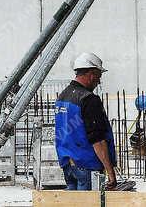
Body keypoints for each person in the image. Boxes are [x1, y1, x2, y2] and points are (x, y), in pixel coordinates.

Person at [54, 51, 118, 192]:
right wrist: (111, 173)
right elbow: (97, 140)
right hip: (87, 164)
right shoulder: (88, 99)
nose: (98, 82)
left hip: (68, 164)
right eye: (98, 77)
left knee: (74, 201)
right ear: (91, 74)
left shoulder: (62, 97)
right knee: (89, 201)